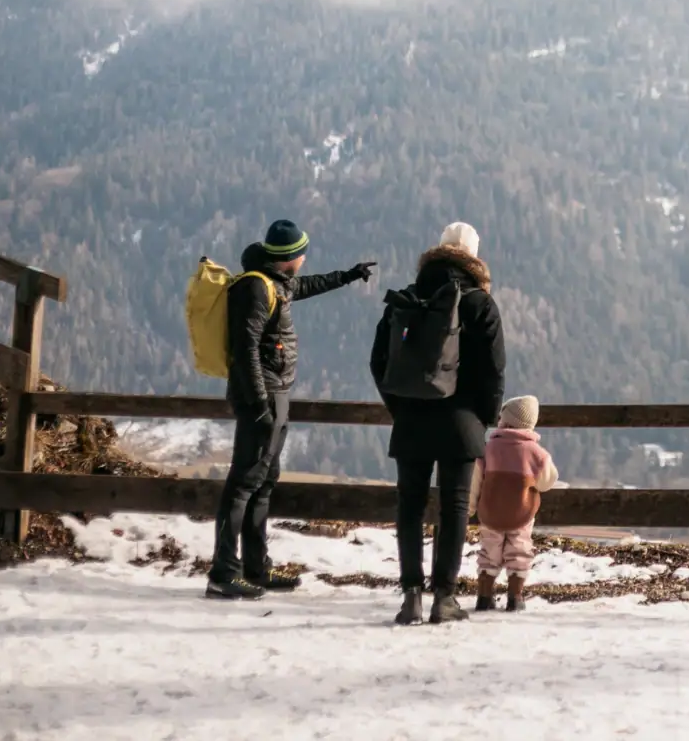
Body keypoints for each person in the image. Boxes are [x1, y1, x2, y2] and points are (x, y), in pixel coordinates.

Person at [207, 219, 376, 600]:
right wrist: (259, 404)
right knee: (243, 484)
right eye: (302, 252)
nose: (305, 258)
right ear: (291, 257)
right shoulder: (255, 287)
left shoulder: (276, 283)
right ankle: (223, 572)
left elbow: (308, 285)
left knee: (263, 482)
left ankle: (256, 568)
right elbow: (245, 349)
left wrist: (348, 276)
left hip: (276, 394)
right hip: (262, 397)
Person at [370, 221, 506, 625]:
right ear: (474, 257)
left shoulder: (407, 298)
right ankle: (443, 597)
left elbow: (379, 362)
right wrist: (485, 417)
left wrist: (400, 407)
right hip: (461, 422)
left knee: (409, 506)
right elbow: (494, 370)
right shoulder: (480, 303)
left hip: (411, 419)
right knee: (455, 508)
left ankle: (410, 594)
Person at [470, 395, 559, 613]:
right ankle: (515, 597)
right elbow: (548, 481)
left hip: (490, 513)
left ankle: (484, 596)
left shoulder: (488, 449)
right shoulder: (537, 454)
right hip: (521, 514)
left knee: (489, 552)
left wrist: (470, 507)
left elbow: (475, 480)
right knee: (519, 551)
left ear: (506, 421)